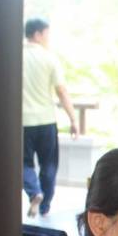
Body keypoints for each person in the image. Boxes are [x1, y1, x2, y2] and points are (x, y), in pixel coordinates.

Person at [22, 18, 79, 218]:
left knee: (23, 163)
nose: (48, 38)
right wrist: (73, 119)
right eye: (47, 34)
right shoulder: (49, 58)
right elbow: (61, 91)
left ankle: (34, 192)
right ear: (37, 34)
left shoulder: (15, 57)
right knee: (49, 164)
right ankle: (45, 205)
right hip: (46, 120)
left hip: (22, 122)